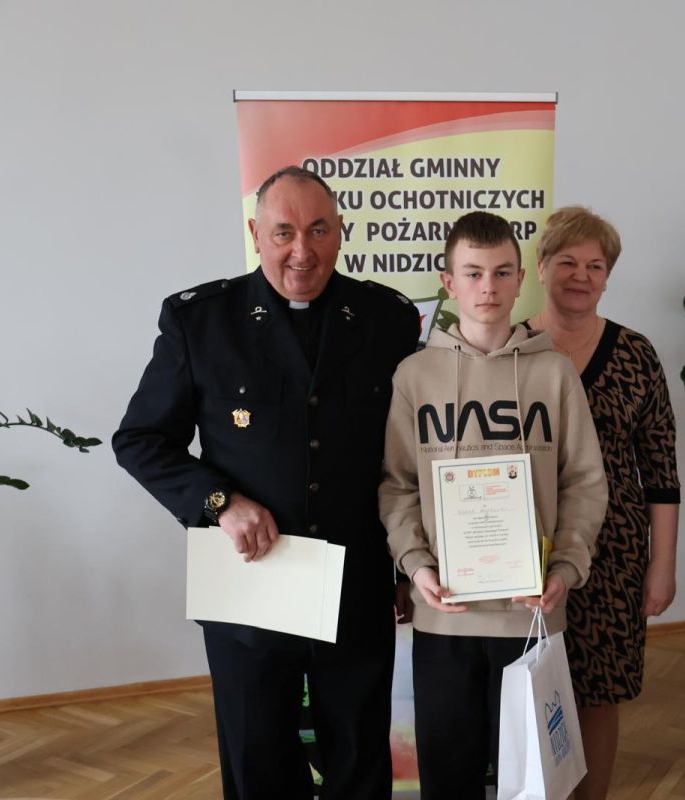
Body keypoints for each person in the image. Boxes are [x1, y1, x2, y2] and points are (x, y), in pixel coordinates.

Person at [112, 166, 419, 800]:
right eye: (284, 232)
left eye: (318, 230)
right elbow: (140, 439)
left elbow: (406, 456)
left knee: (360, 759)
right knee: (258, 763)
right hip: (248, 583)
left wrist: (405, 566)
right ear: (256, 233)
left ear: (341, 233)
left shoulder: (387, 319)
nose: (301, 251)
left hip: (356, 581)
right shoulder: (202, 321)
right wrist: (220, 502)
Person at [379, 211, 608, 799]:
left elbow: (584, 483)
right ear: (449, 282)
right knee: (448, 776)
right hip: (445, 614)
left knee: (528, 780)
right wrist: (416, 566)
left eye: (502, 272)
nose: (488, 287)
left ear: (520, 280)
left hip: (529, 614)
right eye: (473, 273)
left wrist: (565, 569)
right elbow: (397, 485)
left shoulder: (554, 373)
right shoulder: (413, 376)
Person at [524, 206, 681, 800]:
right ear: (542, 267)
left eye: (595, 265)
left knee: (599, 690)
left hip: (612, 554)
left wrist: (661, 566)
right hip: (525, 548)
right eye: (567, 261)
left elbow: (661, 472)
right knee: (529, 684)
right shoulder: (513, 347)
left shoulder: (636, 354)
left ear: (608, 276)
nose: (581, 276)